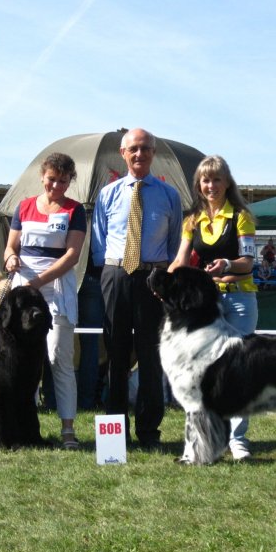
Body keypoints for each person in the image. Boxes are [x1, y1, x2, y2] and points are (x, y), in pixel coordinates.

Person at [92, 128, 182, 449]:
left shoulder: (170, 196)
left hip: (152, 282)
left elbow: (174, 245)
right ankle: (115, 435)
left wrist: (163, 278)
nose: (139, 154)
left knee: (150, 357)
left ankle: (148, 432)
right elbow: (99, 242)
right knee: (116, 356)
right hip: (116, 276)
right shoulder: (108, 194)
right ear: (123, 152)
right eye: (134, 149)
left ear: (153, 153)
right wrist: (110, 274)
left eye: (145, 148)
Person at [168, 155, 257, 461]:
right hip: (204, 308)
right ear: (199, 185)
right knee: (199, 375)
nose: (211, 186)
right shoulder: (191, 220)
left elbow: (248, 262)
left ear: (227, 183)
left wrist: (227, 264)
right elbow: (181, 261)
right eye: (205, 180)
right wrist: (165, 284)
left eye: (217, 179)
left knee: (238, 373)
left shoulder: (242, 216)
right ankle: (201, 442)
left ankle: (238, 440)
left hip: (239, 300)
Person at [3, 152, 86, 450]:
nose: (56, 187)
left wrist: (39, 282)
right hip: (23, 288)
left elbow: (72, 255)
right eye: (52, 180)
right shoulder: (23, 207)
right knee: (20, 358)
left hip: (56, 289)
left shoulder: (75, 210)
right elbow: (11, 246)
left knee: (59, 358)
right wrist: (11, 257)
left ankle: (67, 429)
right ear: (42, 176)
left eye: (63, 181)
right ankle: (21, 424)